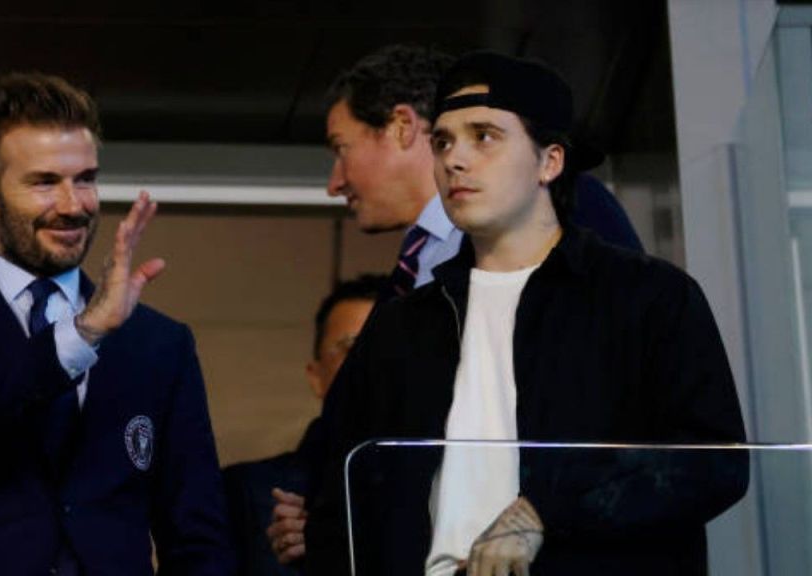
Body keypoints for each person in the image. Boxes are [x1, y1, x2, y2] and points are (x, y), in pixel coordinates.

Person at [303, 51, 748, 576]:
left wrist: (543, 513)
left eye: (484, 136)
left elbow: (711, 461)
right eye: (442, 141)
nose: (453, 160)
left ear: (550, 161)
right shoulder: (403, 325)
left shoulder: (646, 296)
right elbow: (341, 492)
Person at [267, 44, 644, 568]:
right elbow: (393, 422)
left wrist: (545, 512)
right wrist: (327, 507)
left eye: (341, 148)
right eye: (444, 141)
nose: (336, 181)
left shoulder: (577, 216)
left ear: (401, 127)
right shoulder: (420, 280)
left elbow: (620, 398)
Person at [0, 73, 233, 575]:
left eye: (85, 179)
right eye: (44, 183)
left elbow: (197, 533)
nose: (73, 205)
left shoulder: (158, 343)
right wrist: (82, 334)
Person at [222, 275, 383, 576]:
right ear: (315, 375)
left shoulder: (442, 491)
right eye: (352, 347)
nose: (368, 362)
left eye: (384, 349)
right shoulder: (248, 492)